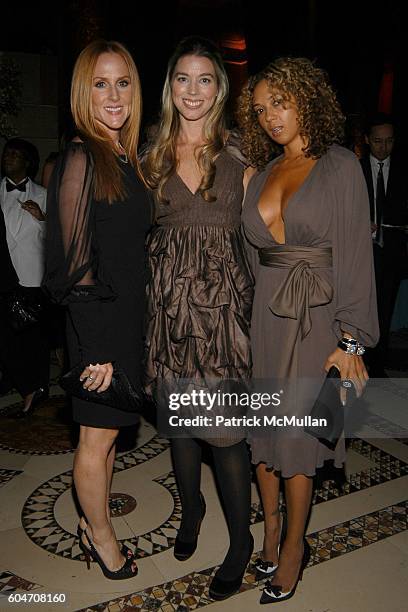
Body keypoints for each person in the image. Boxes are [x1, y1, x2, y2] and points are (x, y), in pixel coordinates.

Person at [237, 57, 379, 604]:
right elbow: (254, 257)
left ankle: (295, 545)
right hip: (268, 318)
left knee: (299, 435)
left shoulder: (340, 165)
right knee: (268, 431)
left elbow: (356, 258)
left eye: (281, 101)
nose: (272, 116)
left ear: (306, 97)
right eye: (260, 109)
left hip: (318, 321)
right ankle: (269, 529)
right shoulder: (262, 172)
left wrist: (349, 342)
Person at [143, 36, 254, 600]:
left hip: (225, 315)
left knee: (227, 434)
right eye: (182, 79)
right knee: (181, 428)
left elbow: (265, 235)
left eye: (204, 78)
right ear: (171, 88)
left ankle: (240, 543)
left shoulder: (241, 154)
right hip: (168, 313)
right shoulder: (149, 156)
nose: (192, 90)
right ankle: (191, 513)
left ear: (219, 87)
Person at [43, 40, 151, 579]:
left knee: (110, 436)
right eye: (101, 84)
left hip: (126, 320)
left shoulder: (123, 157)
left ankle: (94, 520)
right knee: (95, 437)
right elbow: (76, 265)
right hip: (100, 324)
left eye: (123, 82)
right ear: (83, 93)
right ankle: (101, 538)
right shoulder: (82, 157)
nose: (114, 95)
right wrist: (100, 349)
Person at [0, 138, 49, 416]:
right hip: (3, 277)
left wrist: (42, 218)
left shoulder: (43, 194)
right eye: (7, 153)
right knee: (6, 337)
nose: (9, 157)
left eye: (16, 154)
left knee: (33, 339)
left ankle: (38, 385)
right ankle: (16, 380)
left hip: (31, 276)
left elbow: (57, 237)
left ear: (28, 162)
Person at [360, 113, 408, 376]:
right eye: (378, 141)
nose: (383, 147)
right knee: (359, 310)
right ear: (367, 140)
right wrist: (359, 223)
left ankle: (378, 363)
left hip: (391, 251)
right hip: (361, 252)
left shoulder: (403, 170)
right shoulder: (355, 168)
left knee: (385, 309)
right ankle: (356, 357)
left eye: (389, 141)